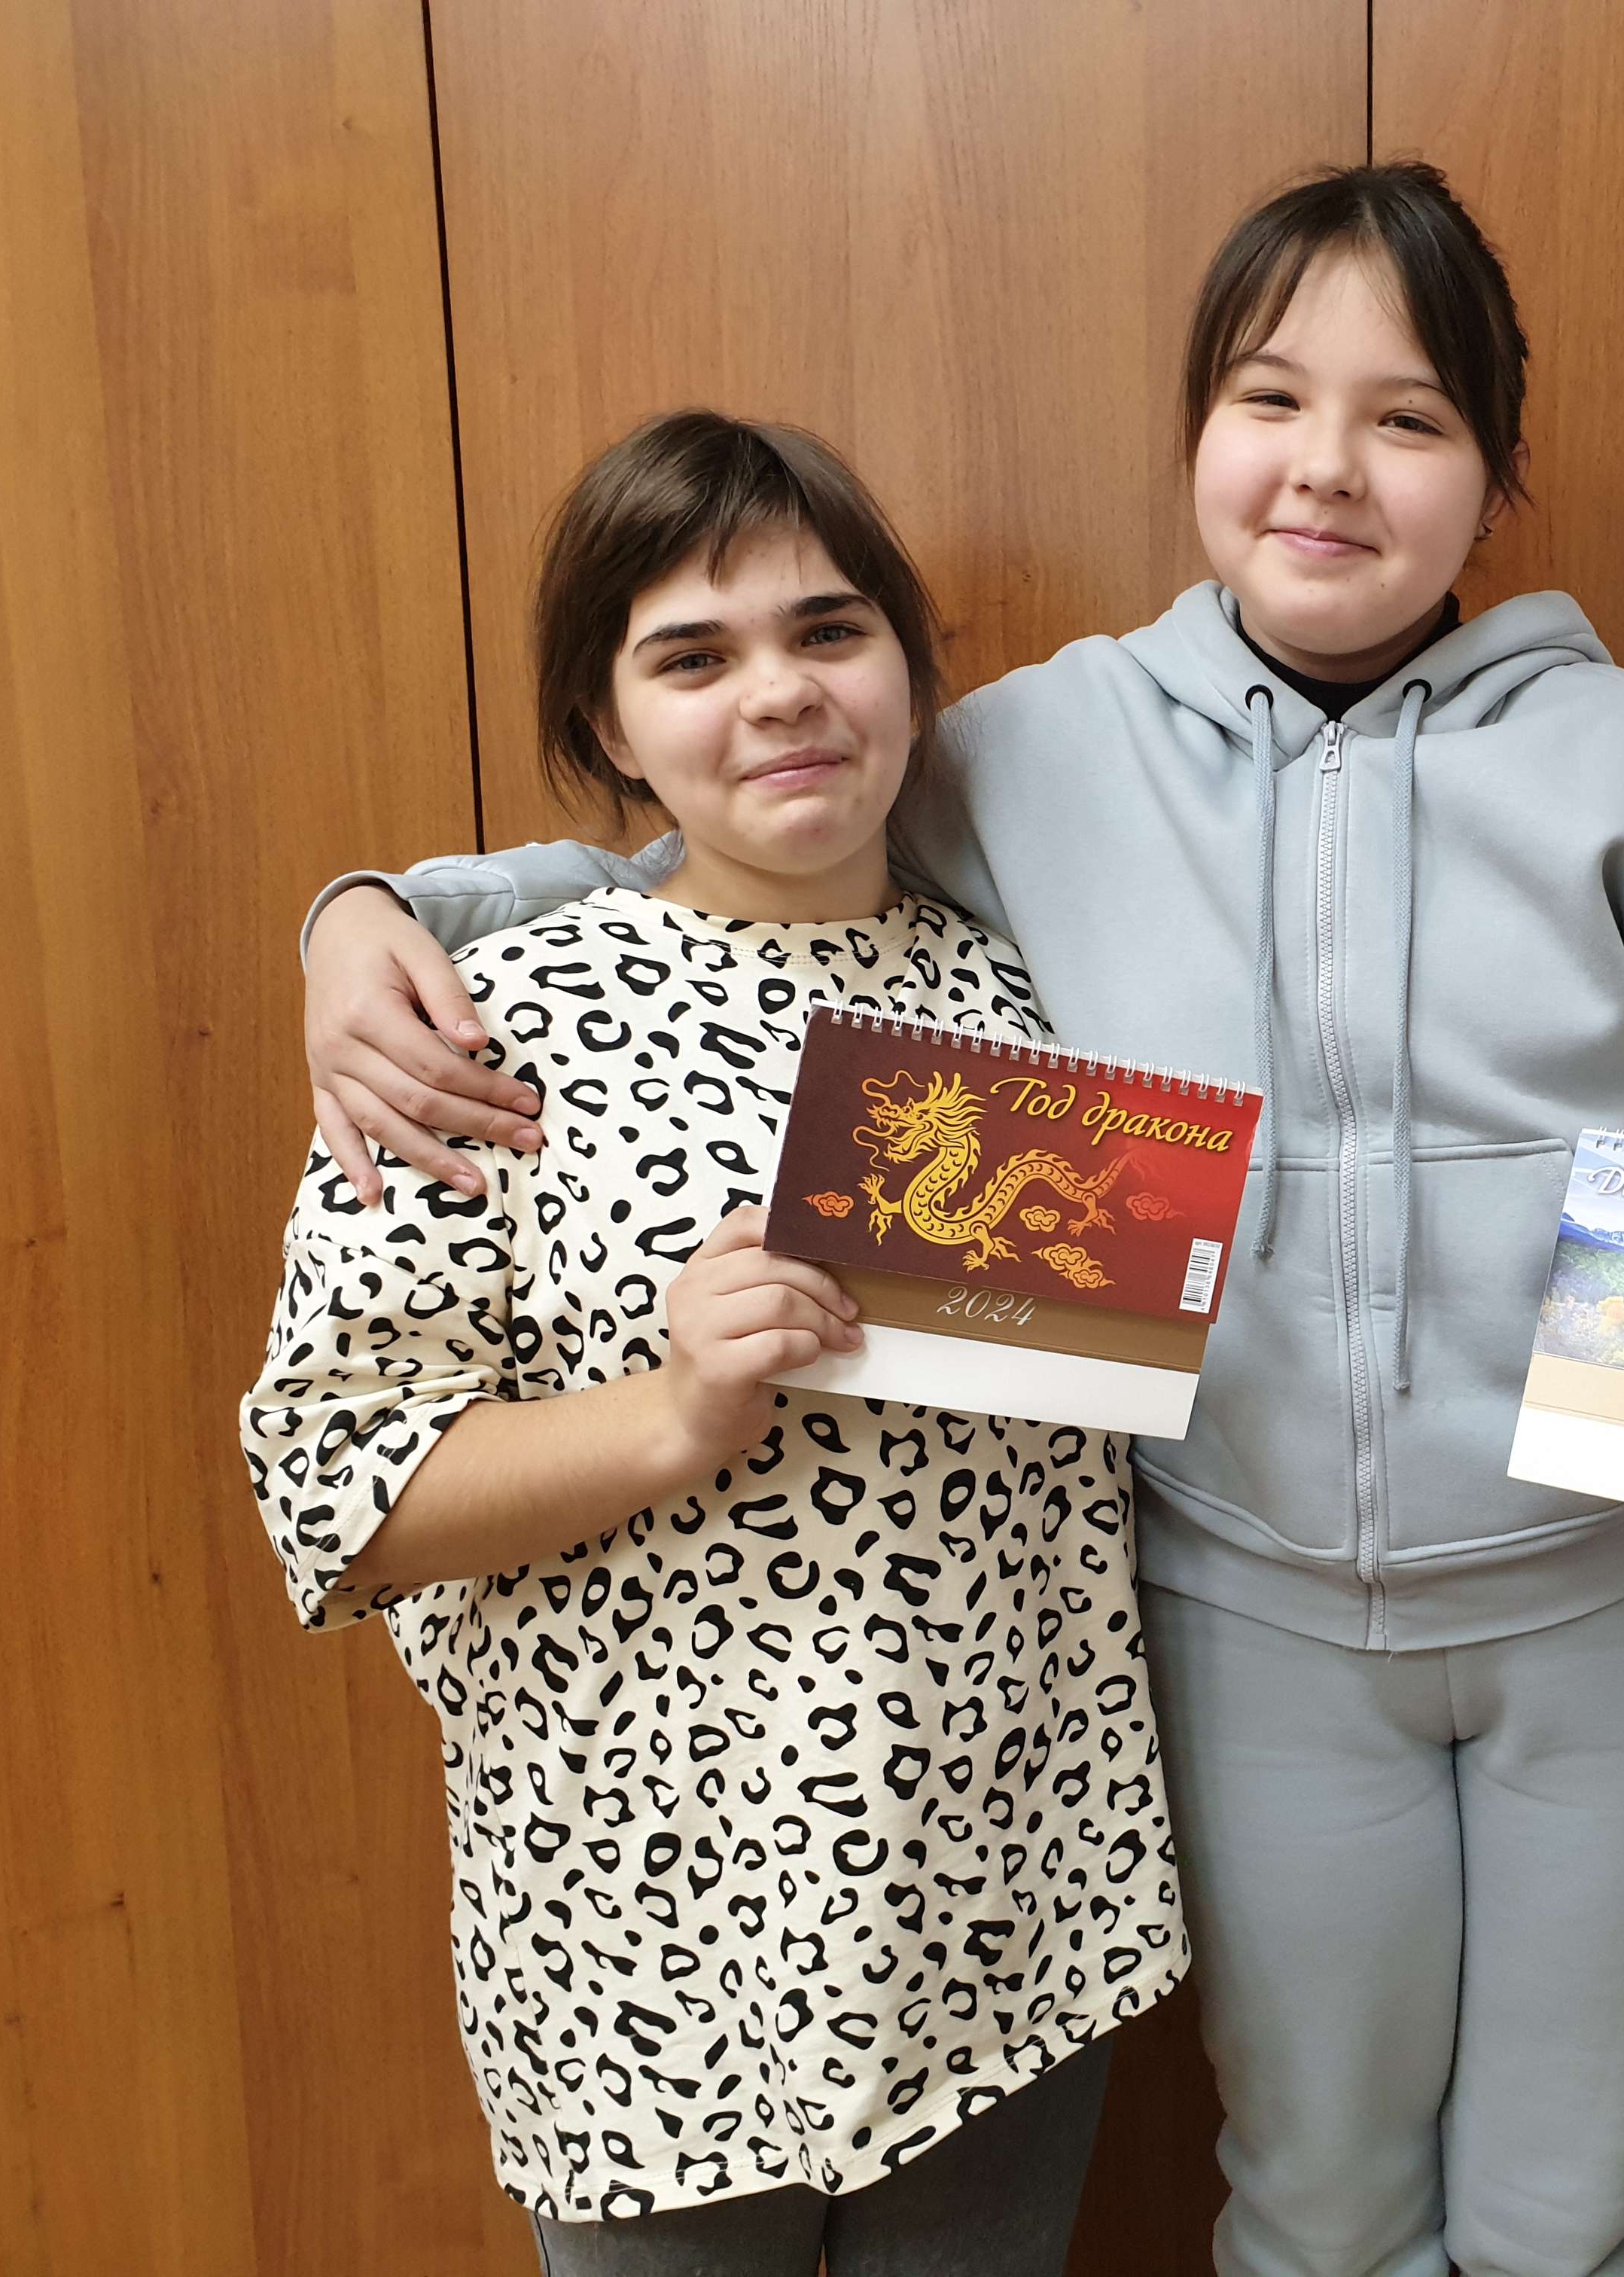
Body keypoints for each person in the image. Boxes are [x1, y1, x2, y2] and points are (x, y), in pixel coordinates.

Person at [291, 166, 1624, 2277]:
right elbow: (731, 844)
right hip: (1246, 1606)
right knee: (1316, 2203)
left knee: (1581, 2212)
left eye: (1407, 417)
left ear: (1495, 473)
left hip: (1621, 1606)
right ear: (1196, 430)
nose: (1327, 465)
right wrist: (375, 912)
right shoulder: (1026, 750)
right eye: (1270, 398)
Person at [242, 411, 1178, 2275]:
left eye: (830, 631)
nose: (781, 693)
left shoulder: (1035, 996)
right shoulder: (481, 1029)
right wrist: (672, 1415)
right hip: (641, 1963)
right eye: (693, 655)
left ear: (910, 672)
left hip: (1012, 1913)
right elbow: (339, 1494)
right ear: (610, 727)